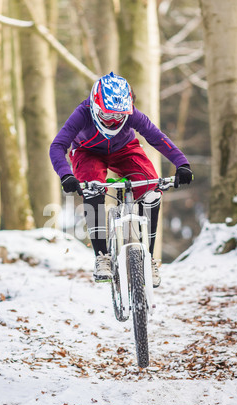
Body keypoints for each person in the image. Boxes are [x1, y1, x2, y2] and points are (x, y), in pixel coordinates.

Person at [50, 72, 192, 286]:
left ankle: (149, 258)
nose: (114, 120)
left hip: (124, 150)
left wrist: (182, 164)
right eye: (108, 115)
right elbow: (57, 146)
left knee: (151, 188)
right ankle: (102, 257)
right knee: (92, 189)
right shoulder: (83, 113)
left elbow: (157, 137)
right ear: (96, 108)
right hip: (87, 152)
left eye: (120, 116)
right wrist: (66, 174)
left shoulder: (133, 114)